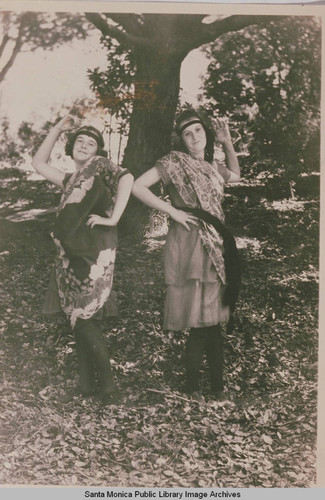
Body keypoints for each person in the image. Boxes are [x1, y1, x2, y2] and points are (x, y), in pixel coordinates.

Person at [132, 108, 240, 401]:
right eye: (188, 133)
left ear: (206, 134)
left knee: (211, 320)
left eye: (199, 131)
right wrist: (171, 210)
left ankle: (210, 388)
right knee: (202, 321)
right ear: (181, 139)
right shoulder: (173, 163)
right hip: (191, 242)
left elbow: (236, 175)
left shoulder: (213, 166)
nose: (194, 137)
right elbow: (135, 185)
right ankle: (199, 389)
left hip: (216, 242)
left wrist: (227, 142)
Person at [32, 115, 134, 404]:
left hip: (94, 252)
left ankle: (110, 388)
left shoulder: (100, 167)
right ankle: (87, 385)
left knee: (85, 318)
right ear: (72, 147)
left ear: (97, 150)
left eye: (92, 143)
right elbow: (38, 164)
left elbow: (127, 177)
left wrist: (113, 218)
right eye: (80, 141)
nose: (85, 146)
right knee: (79, 320)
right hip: (71, 255)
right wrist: (57, 128)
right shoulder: (70, 179)